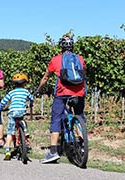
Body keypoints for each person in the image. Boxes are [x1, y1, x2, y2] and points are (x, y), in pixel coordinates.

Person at [36, 34, 86, 163]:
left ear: (61, 47)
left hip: (62, 93)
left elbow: (46, 77)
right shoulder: (80, 59)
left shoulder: (56, 59)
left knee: (56, 119)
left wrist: (39, 89)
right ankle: (82, 144)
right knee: (79, 114)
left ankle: (53, 152)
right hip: (79, 93)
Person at [0, 73, 34, 160]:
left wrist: (0, 109)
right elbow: (31, 98)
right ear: (24, 83)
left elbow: (3, 101)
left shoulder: (11, 92)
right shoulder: (26, 91)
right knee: (22, 119)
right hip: (21, 111)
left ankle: (7, 150)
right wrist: (31, 104)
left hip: (12, 112)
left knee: (10, 132)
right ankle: (25, 130)